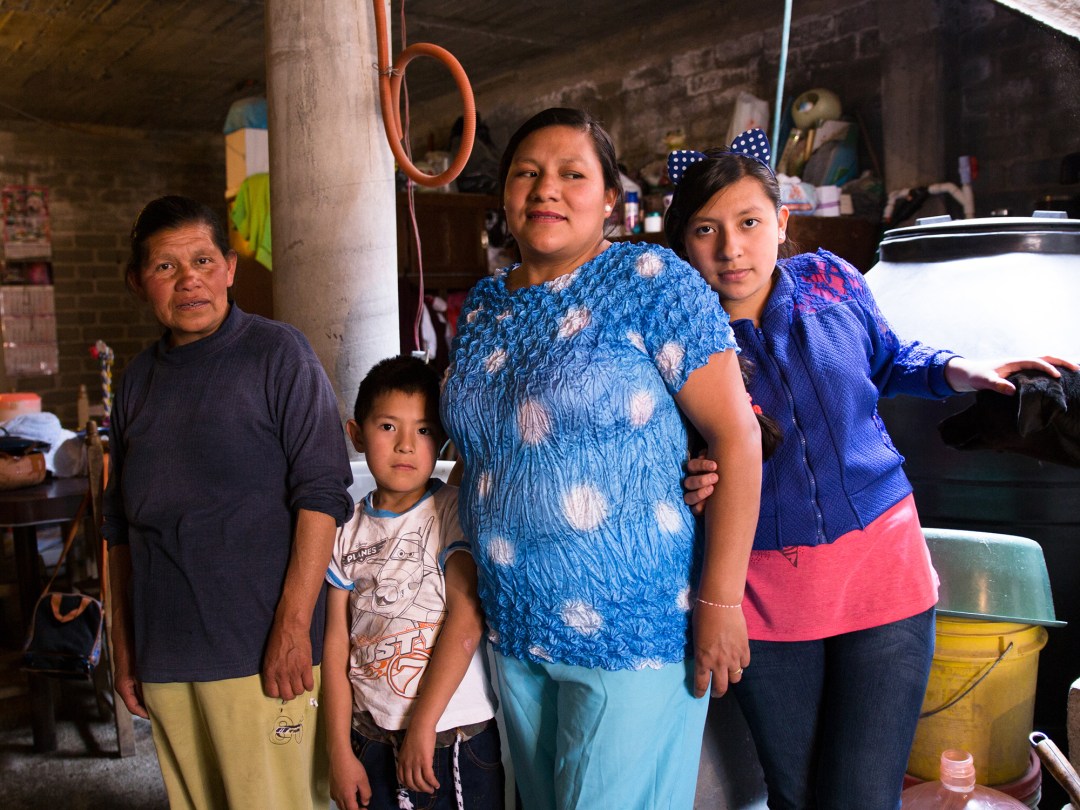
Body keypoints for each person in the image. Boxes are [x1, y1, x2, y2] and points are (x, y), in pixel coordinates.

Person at [663, 130, 1077, 810]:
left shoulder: (830, 278)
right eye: (706, 230)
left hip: (883, 578)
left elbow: (887, 355)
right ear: (684, 241)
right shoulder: (680, 340)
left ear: (782, 222)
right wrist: (685, 481)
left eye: (748, 223)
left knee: (861, 796)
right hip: (764, 597)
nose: (731, 249)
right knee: (798, 797)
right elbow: (659, 455)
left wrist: (958, 368)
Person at [440, 107, 763, 809]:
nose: (545, 189)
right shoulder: (486, 305)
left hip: (632, 624)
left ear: (611, 200)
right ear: (504, 197)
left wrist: (720, 600)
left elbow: (737, 437)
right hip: (515, 623)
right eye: (527, 173)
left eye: (571, 174)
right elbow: (480, 450)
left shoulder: (651, 279)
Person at [102, 195, 353, 810]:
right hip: (167, 652)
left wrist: (295, 629)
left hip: (261, 652)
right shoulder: (137, 381)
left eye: (203, 260)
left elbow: (322, 494)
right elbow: (118, 530)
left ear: (231, 268)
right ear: (140, 283)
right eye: (166, 267)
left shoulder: (278, 354)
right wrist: (125, 647)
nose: (189, 280)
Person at [322, 355, 504, 810]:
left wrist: (423, 722)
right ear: (356, 434)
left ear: (441, 442)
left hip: (451, 738)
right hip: (371, 738)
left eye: (423, 430)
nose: (406, 445)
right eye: (388, 427)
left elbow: (467, 621)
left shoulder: (451, 511)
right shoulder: (345, 528)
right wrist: (339, 751)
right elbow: (334, 644)